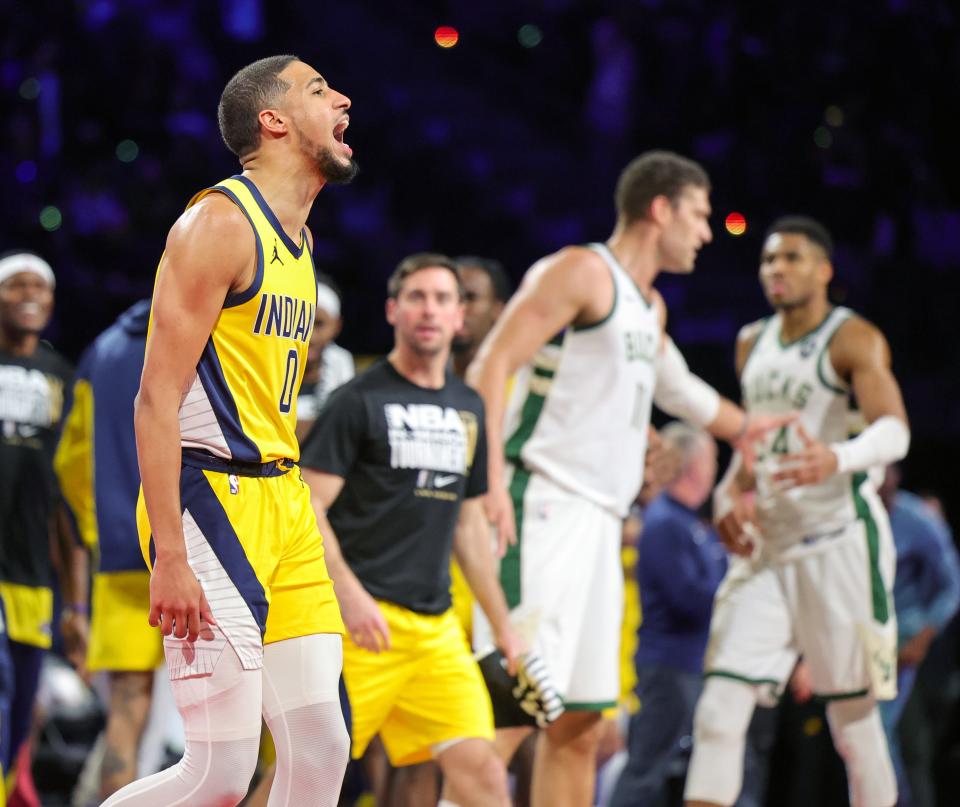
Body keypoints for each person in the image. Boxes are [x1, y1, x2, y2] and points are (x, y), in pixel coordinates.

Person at [468, 150, 790, 807]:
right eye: (699, 215)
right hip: (543, 506)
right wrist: (489, 479)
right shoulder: (581, 270)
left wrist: (749, 426)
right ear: (660, 208)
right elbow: (491, 365)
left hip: (602, 525)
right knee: (506, 714)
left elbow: (681, 389)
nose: (706, 231)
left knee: (581, 724)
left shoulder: (650, 307)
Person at [102, 54, 357, 807]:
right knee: (218, 774)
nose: (342, 97)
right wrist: (170, 556)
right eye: (318, 89)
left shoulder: (302, 245)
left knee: (320, 748)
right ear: (272, 120)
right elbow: (155, 399)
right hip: (209, 500)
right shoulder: (217, 222)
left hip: (285, 501)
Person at [684, 216, 911, 807]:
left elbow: (895, 434)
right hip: (769, 549)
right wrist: (727, 493)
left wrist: (835, 458)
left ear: (824, 269)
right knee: (717, 711)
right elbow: (750, 445)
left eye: (790, 258)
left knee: (854, 729)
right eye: (767, 261)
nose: (776, 270)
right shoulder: (748, 342)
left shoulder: (853, 337)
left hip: (837, 543)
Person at [300, 253, 523, 807]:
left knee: (484, 776)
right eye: (417, 298)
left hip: (434, 631)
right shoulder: (356, 401)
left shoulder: (469, 407)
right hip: (355, 629)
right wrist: (349, 597)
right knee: (306, 785)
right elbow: (305, 506)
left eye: (443, 299)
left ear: (459, 318)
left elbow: (469, 530)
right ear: (393, 311)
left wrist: (504, 628)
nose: (430, 310)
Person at [53, 299, 177, 800]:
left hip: (122, 559)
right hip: (199, 553)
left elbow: (70, 465)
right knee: (227, 720)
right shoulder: (211, 336)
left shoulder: (101, 351)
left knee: (126, 711)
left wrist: (100, 527)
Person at [0, 251, 82, 800]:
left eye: (42, 286)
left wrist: (76, 606)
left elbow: (68, 503)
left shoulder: (62, 377)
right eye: (16, 285)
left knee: (20, 714)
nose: (31, 294)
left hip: (33, 576)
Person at [610, 422, 725, 806]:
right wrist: (730, 592)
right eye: (710, 459)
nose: (714, 470)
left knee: (664, 770)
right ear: (693, 466)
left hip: (684, 664)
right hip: (667, 667)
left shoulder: (686, 522)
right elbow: (689, 598)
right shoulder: (665, 524)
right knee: (647, 769)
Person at [876, 465, 960, 805]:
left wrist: (925, 633)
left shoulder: (918, 519)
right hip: (859, 632)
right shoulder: (848, 516)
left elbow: (952, 585)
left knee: (881, 731)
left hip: (901, 636)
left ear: (895, 475)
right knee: (868, 736)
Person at [295, 274, 354, 440]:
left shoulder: (340, 363)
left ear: (337, 326)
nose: (309, 336)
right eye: (301, 321)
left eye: (319, 324)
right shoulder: (268, 359)